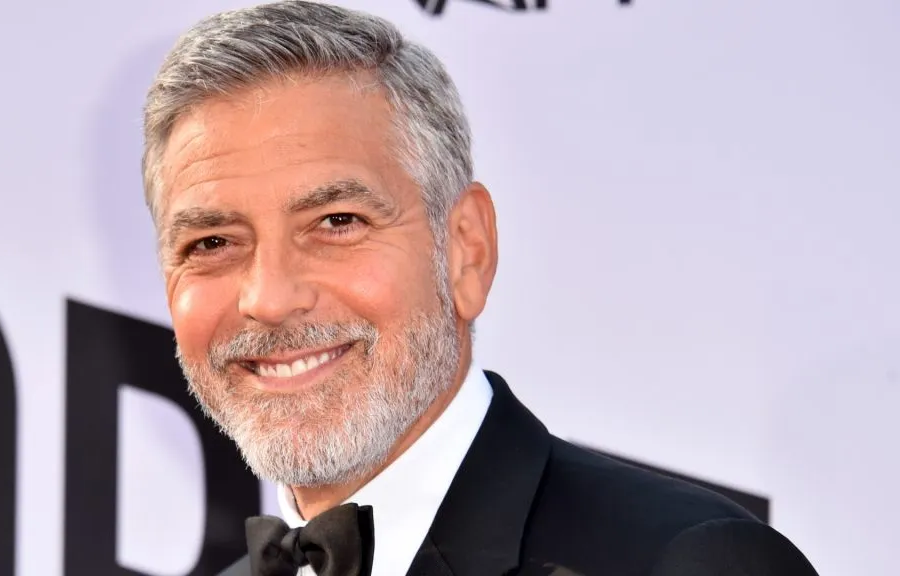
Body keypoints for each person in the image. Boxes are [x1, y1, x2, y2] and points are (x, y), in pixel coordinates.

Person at [141, 2, 819, 575]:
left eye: (336, 222)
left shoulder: (686, 562)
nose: (268, 296)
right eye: (211, 244)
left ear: (466, 249)